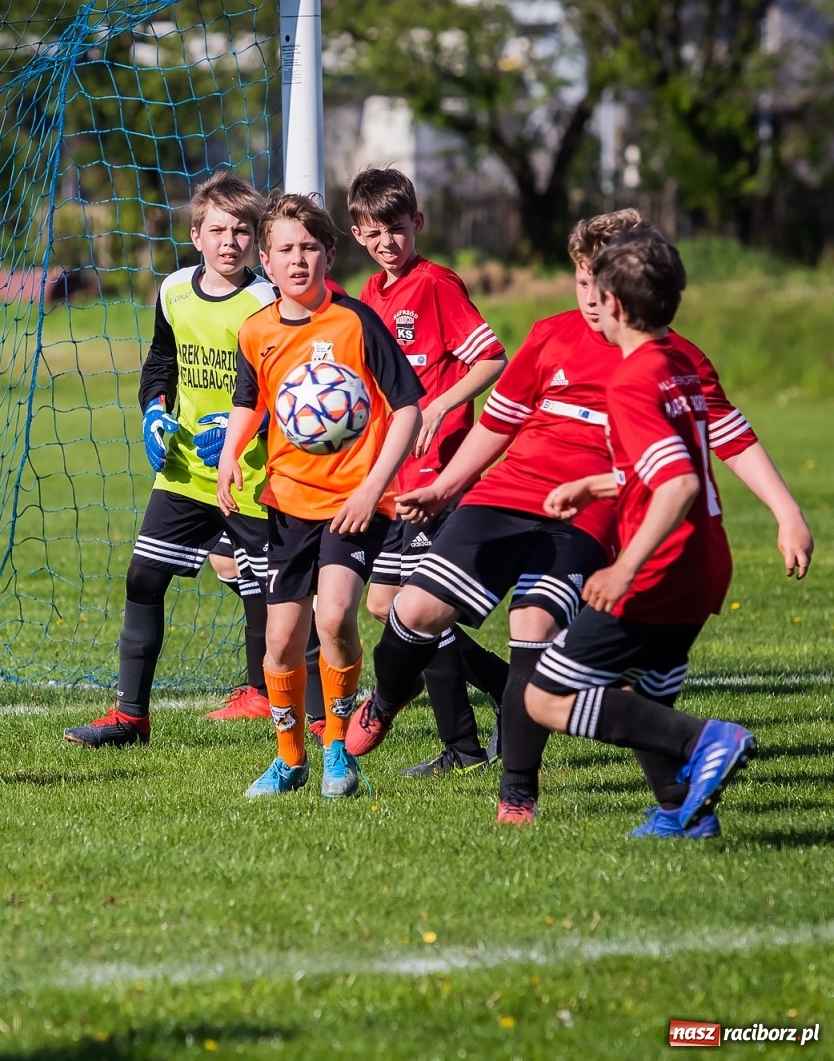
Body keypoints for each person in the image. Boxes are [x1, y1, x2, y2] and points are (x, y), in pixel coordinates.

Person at [343, 210, 811, 824]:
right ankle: (385, 699)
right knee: (414, 609)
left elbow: (727, 437)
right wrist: (447, 487)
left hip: (587, 517)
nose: (590, 298)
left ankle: (517, 793)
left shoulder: (669, 361)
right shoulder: (549, 336)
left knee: (534, 626)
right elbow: (499, 424)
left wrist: (786, 510)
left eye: (601, 284)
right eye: (581, 281)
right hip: (507, 495)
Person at [527, 227, 756, 837]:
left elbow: (678, 485)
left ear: (616, 306)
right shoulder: (677, 361)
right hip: (706, 562)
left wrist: (623, 567)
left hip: (661, 568)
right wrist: (599, 486)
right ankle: (682, 813)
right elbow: (665, 466)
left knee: (545, 698)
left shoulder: (628, 382)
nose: (590, 306)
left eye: (597, 295)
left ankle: (708, 739)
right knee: (640, 691)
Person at [217, 192, 423, 797]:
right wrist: (231, 454)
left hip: (353, 505)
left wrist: (373, 489)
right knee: (279, 643)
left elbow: (407, 407)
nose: (298, 260)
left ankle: (337, 750)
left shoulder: (357, 321)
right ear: (267, 259)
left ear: (329, 255)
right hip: (286, 504)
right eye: (285, 249)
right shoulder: (255, 331)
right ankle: (290, 760)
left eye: (309, 247)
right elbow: (249, 400)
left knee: (333, 618)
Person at [65, 170, 276, 747]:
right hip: (184, 471)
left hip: (254, 474)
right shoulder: (174, 290)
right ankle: (130, 718)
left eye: (241, 231)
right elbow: (161, 362)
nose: (230, 242)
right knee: (144, 575)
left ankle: (292, 708)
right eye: (218, 230)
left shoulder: (267, 302)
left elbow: (286, 389)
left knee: (272, 589)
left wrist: (244, 431)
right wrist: (154, 413)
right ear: (196, 235)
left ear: (256, 239)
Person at [347, 168, 511, 776]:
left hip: (439, 472)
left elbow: (492, 359)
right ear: (359, 235)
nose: (387, 241)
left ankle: (463, 746)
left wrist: (440, 405)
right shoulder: (370, 293)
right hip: (398, 474)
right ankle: (502, 684)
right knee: (386, 606)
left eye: (396, 228)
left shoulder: (436, 284)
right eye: (373, 232)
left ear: (417, 222)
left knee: (417, 608)